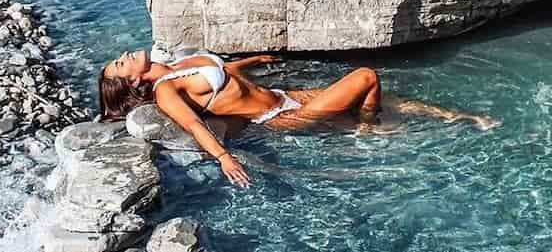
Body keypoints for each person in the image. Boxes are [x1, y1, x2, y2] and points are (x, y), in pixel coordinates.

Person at [98, 50, 496, 188]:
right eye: (120, 64)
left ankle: (464, 117)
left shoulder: (178, 64)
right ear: (132, 80)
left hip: (285, 96)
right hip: (280, 115)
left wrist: (255, 60)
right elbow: (193, 124)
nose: (125, 56)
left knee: (393, 100)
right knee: (366, 78)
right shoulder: (166, 91)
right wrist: (223, 158)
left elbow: (222, 70)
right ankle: (367, 129)